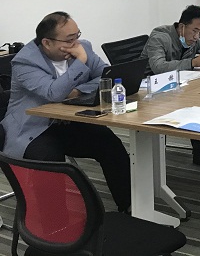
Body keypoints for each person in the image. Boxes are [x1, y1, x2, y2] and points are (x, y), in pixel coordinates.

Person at [1, 12, 131, 212]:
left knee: (109, 142)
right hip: (33, 128)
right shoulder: (25, 62)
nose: (76, 43)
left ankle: (129, 205)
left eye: (77, 36)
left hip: (68, 121)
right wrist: (81, 62)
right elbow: (53, 93)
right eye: (70, 40)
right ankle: (56, 223)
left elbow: (107, 77)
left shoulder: (82, 47)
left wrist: (77, 91)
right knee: (49, 160)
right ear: (47, 43)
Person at [141, 5, 200, 169]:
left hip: (176, 85)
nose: (196, 36)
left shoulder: (193, 39)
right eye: (194, 31)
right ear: (182, 27)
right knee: (194, 103)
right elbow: (159, 67)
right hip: (149, 89)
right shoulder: (160, 37)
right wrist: (192, 62)